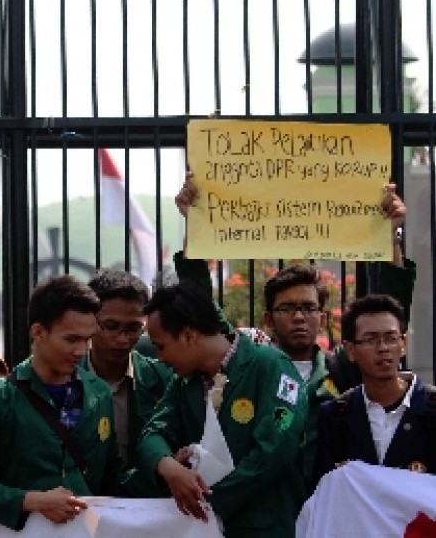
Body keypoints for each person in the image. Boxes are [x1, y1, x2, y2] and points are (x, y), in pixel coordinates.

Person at [173, 174, 415, 490]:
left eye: (308, 308)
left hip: (329, 508)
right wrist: (194, 224)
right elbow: (202, 310)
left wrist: (391, 232)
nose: (299, 317)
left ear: (322, 316)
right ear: (269, 319)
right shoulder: (248, 364)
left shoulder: (343, 368)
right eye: (288, 309)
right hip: (266, 512)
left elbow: (389, 311)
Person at [139, 281, 306, 538]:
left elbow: (273, 451)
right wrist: (169, 468)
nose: (160, 358)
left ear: (188, 335)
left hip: (261, 527)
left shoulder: (271, 366)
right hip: (202, 525)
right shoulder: (185, 382)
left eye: (161, 346)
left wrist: (206, 499)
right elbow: (152, 433)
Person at [0, 275, 120, 530]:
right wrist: (32, 501)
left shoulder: (99, 392)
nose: (81, 351)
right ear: (38, 332)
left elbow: (113, 476)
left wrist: (165, 465)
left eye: (87, 340)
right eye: (71, 339)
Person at [314, 294, 436, 481]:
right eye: (371, 340)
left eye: (391, 338)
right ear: (350, 350)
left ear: (403, 344)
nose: (383, 348)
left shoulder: (431, 408)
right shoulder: (336, 416)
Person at [82, 268, 174, 497]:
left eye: (133, 329)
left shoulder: (162, 379)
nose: (122, 339)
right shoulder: (66, 378)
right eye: (111, 326)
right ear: (91, 321)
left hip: (149, 503)